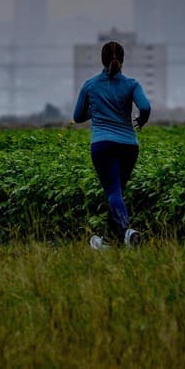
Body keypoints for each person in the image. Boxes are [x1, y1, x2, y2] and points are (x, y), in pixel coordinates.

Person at [73, 40, 150, 249]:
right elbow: (145, 106)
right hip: (129, 145)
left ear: (102, 59)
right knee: (116, 192)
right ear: (122, 60)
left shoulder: (90, 85)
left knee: (113, 193)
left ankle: (127, 232)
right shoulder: (132, 84)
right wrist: (141, 120)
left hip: (103, 145)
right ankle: (107, 242)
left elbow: (77, 116)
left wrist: (96, 111)